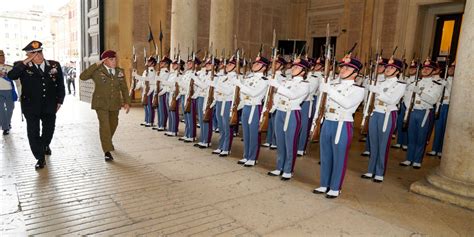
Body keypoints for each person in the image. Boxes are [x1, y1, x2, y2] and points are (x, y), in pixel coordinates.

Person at [7, 41, 65, 169]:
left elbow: (60, 84)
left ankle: (44, 145)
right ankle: (40, 157)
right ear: (27, 54)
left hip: (50, 104)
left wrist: (60, 101)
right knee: (33, 132)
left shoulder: (54, 65)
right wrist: (25, 62)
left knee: (49, 129)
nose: (37, 55)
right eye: (33, 53)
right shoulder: (21, 66)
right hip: (30, 106)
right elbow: (11, 76)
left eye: (39, 52)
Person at [313, 55, 364, 198]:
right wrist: (316, 121)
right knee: (325, 155)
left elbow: (347, 104)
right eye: (342, 66)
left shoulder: (358, 90)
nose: (343, 69)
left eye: (347, 68)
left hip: (342, 124)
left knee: (339, 157)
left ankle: (335, 187)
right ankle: (324, 184)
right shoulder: (333, 85)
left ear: (355, 73)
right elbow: (322, 104)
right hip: (327, 121)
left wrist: (329, 90)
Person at [79, 50, 131, 161]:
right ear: (105, 60)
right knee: (105, 126)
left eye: (115, 59)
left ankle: (106, 141)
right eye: (111, 59)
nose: (114, 61)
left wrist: (127, 102)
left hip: (115, 103)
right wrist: (96, 64)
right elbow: (83, 77)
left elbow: (124, 88)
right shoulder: (97, 71)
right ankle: (107, 150)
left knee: (114, 124)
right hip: (101, 104)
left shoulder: (119, 72)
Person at [361, 57, 406, 182]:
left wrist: (377, 91)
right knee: (373, 143)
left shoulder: (400, 85)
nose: (387, 69)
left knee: (383, 144)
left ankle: (380, 172)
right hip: (375, 113)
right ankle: (371, 170)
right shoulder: (380, 82)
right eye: (387, 67)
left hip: (387, 114)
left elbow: (392, 100)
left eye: (392, 68)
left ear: (397, 71)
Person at [266, 58, 310, 181]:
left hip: (292, 113)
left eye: (297, 67)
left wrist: (277, 86)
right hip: (280, 111)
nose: (293, 68)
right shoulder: (286, 82)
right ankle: (279, 166)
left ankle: (288, 169)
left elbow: (293, 95)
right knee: (280, 141)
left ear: (303, 71)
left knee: (290, 143)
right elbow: (278, 96)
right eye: (294, 66)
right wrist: (273, 105)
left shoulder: (305, 84)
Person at [399, 59, 442, 169]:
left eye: (429, 68)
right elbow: (407, 98)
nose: (425, 70)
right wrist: (408, 110)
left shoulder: (437, 85)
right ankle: (409, 158)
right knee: (411, 136)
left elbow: (432, 100)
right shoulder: (415, 82)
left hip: (424, 112)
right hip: (413, 111)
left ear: (433, 71)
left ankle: (417, 160)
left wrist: (419, 92)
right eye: (424, 68)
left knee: (421, 137)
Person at [236, 56, 269, 167]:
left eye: (258, 64)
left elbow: (254, 93)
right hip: (246, 106)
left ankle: (253, 157)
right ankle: (246, 155)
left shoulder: (264, 80)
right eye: (255, 63)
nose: (254, 65)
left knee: (254, 133)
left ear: (264, 68)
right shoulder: (249, 78)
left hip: (255, 107)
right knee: (246, 133)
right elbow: (243, 93)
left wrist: (240, 84)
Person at [427, 62, 455, 157]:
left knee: (444, 128)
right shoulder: (443, 79)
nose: (451, 70)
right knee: (438, 128)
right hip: (440, 105)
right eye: (450, 69)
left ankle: (441, 150)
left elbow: (454, 93)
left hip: (448, 105)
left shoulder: (456, 81)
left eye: (453, 69)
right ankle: (435, 149)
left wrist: (447, 85)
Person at [0, 50, 20, 135]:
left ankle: (6, 122)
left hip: (9, 90)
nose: (3, 58)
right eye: (1, 57)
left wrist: (20, 93)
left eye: (3, 57)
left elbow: (17, 81)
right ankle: (5, 127)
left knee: (10, 108)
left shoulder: (10, 67)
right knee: (1, 110)